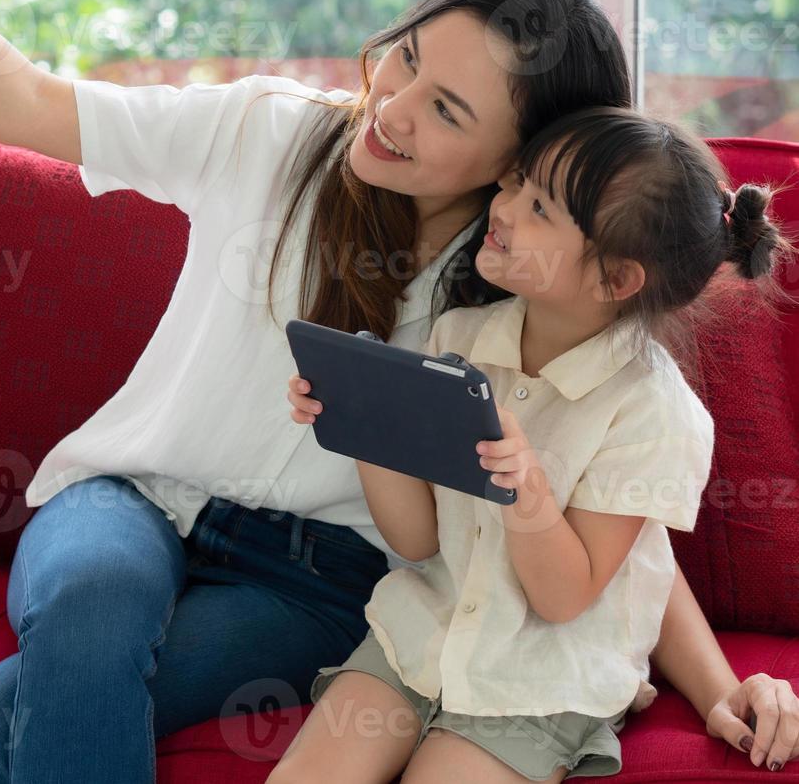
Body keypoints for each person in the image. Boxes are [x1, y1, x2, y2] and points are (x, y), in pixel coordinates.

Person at [0, 0, 799, 782]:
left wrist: (721, 685)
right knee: (90, 609)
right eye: (405, 59)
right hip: (133, 495)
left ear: (522, 158)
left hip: (314, 578)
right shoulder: (271, 131)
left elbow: (609, 516)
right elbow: (20, 100)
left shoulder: (518, 283)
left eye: (446, 109)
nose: (392, 110)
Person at [271, 108, 792, 783]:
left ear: (615, 279)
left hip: (540, 684)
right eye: (517, 182)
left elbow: (564, 598)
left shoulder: (653, 412)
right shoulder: (456, 338)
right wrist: (363, 425)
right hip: (420, 638)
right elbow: (417, 539)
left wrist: (531, 495)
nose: (505, 206)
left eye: (540, 206)